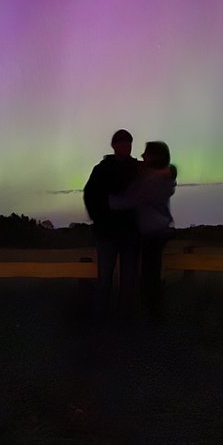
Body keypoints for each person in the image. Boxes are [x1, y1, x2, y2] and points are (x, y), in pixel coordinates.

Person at [109, 141, 176, 318]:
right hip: (161, 229)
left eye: (147, 153)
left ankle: (153, 315)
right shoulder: (163, 177)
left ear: (155, 157)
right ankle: (153, 311)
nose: (143, 155)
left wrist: (106, 200)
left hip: (152, 233)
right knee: (152, 271)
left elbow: (128, 201)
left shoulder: (150, 180)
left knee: (149, 274)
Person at [82, 129, 140, 314]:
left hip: (130, 233)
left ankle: (124, 316)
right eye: (122, 142)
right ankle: (101, 316)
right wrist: (100, 218)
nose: (126, 146)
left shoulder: (138, 169)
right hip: (107, 233)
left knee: (128, 278)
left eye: (128, 142)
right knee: (105, 276)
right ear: (114, 145)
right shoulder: (102, 169)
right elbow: (90, 196)